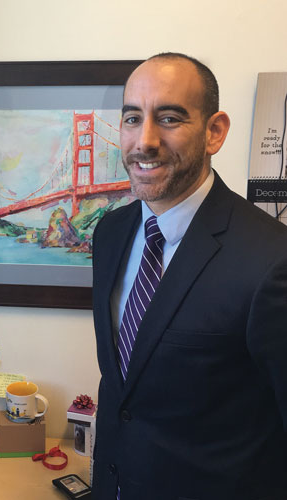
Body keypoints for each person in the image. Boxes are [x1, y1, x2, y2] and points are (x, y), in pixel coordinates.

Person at [92, 53, 287, 499]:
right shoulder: (110, 234)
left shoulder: (272, 260)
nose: (145, 141)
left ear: (214, 131)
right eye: (132, 118)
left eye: (169, 118)